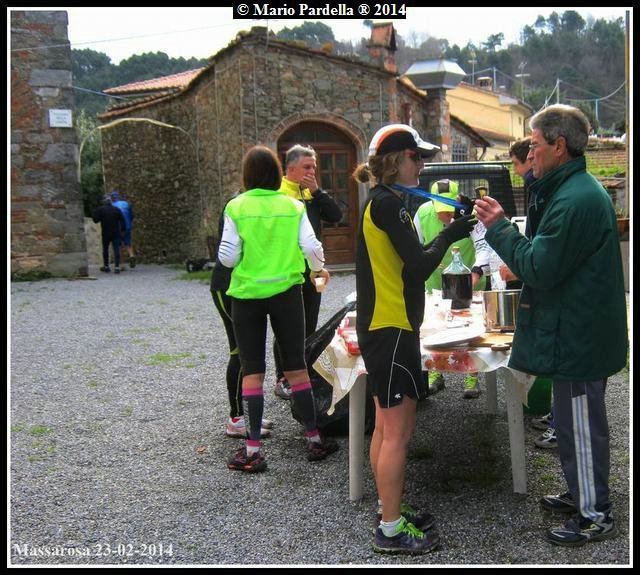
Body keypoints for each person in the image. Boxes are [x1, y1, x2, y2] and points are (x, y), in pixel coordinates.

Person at [475, 104, 628, 547]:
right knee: (570, 422)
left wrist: (499, 228)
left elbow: (539, 267)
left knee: (581, 427)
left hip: (579, 335)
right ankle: (581, 494)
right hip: (575, 329)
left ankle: (595, 514)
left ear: (559, 146)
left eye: (535, 145)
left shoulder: (576, 199)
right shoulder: (569, 190)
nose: (530, 154)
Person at [354, 123, 477, 554]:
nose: (422, 164)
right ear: (395, 160)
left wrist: (449, 229)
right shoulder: (388, 204)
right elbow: (422, 266)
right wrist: (450, 234)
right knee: (396, 432)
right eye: (417, 157)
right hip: (390, 328)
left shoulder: (389, 201)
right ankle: (389, 530)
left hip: (389, 326)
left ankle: (388, 508)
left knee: (388, 427)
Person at [218, 145, 338, 472]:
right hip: (287, 293)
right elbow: (311, 247)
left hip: (246, 296)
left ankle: (252, 450)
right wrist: (318, 268)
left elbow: (227, 257)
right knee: (296, 366)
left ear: (246, 175)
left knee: (252, 370)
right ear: (276, 174)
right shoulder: (293, 206)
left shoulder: (236, 206)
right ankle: (314, 439)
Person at [273, 144, 343, 400]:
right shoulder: (279, 193)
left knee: (309, 323)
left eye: (314, 167)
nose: (312, 171)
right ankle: (282, 377)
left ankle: (302, 373)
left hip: (313, 270)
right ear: (290, 168)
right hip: (287, 269)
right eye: (306, 167)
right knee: (287, 326)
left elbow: (336, 215)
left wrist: (317, 191)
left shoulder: (312, 193)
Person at [413, 179, 489, 399]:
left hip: (468, 279)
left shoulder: (472, 214)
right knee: (434, 328)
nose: (444, 215)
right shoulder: (422, 213)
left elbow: (484, 247)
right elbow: (417, 245)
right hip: (435, 280)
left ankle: (471, 377)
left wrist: (476, 273)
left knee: (471, 330)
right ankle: (434, 375)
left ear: (457, 201)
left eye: (448, 210)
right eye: (440, 210)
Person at [210, 198, 273, 439]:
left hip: (243, 288)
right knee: (240, 351)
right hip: (226, 286)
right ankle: (236, 418)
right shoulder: (237, 205)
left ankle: (247, 415)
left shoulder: (252, 204)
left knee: (249, 352)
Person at [92, 194, 126, 274]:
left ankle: (106, 266)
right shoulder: (116, 209)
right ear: (110, 201)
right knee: (116, 249)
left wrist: (95, 212)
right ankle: (117, 267)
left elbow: (95, 220)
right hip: (115, 232)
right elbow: (123, 221)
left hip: (106, 232)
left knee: (105, 249)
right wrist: (122, 230)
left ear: (103, 202)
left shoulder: (101, 209)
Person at [110, 190, 136, 268]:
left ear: (112, 198)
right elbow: (132, 216)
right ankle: (131, 255)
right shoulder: (126, 203)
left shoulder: (112, 206)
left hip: (119, 227)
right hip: (128, 226)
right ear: (118, 197)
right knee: (128, 243)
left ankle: (122, 264)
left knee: (119, 245)